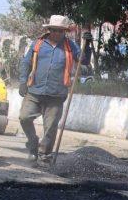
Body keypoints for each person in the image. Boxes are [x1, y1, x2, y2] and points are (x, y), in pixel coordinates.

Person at [18, 15, 86, 164]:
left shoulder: (70, 46)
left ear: (64, 32)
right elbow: (25, 63)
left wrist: (86, 44)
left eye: (60, 31)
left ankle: (44, 154)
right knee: (24, 117)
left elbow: (82, 59)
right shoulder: (38, 44)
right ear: (49, 30)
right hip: (35, 91)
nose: (57, 33)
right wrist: (23, 81)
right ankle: (32, 142)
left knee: (50, 127)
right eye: (54, 30)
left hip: (56, 94)